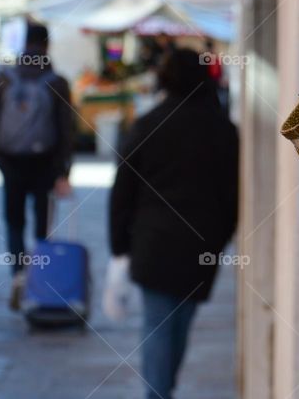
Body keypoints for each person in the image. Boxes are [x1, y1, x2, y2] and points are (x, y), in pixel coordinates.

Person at [108, 48, 238, 399]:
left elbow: (123, 190)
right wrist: (221, 239)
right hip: (201, 245)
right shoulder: (224, 130)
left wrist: (119, 244)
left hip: (155, 243)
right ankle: (163, 391)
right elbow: (232, 196)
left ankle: (159, 393)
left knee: (159, 327)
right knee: (178, 326)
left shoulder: (148, 125)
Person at [0, 22, 75, 309]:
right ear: (47, 45)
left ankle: (17, 275)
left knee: (13, 222)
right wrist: (63, 170)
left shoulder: (3, 78)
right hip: (45, 162)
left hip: (11, 161)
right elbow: (67, 130)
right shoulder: (57, 81)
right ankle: (38, 277)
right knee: (41, 224)